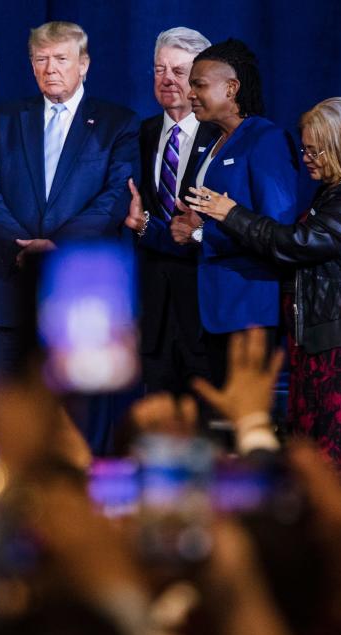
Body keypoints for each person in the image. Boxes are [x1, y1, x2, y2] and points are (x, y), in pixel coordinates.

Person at [186, 96, 341, 514]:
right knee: (326, 457)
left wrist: (232, 213)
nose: (307, 158)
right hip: (336, 340)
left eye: (316, 150)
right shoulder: (334, 194)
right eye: (306, 148)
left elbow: (301, 245)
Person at [0, 21, 139, 452]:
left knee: (76, 429)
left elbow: (114, 199)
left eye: (61, 59)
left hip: (78, 293)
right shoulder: (4, 118)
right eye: (41, 60)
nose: (50, 69)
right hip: (10, 281)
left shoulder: (117, 123)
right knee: (7, 423)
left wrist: (56, 248)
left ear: (84, 64)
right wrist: (20, 244)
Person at [169, 38, 299, 387]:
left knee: (244, 422)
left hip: (249, 309)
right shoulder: (215, 141)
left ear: (232, 88)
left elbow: (277, 230)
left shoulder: (265, 139)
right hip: (214, 307)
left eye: (199, 84)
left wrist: (200, 233)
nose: (190, 93)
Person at [123, 27, 218, 397]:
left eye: (178, 71)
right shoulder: (138, 134)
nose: (166, 79)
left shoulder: (224, 136)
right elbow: (137, 219)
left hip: (204, 311)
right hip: (153, 312)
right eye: (159, 69)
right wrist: (142, 225)